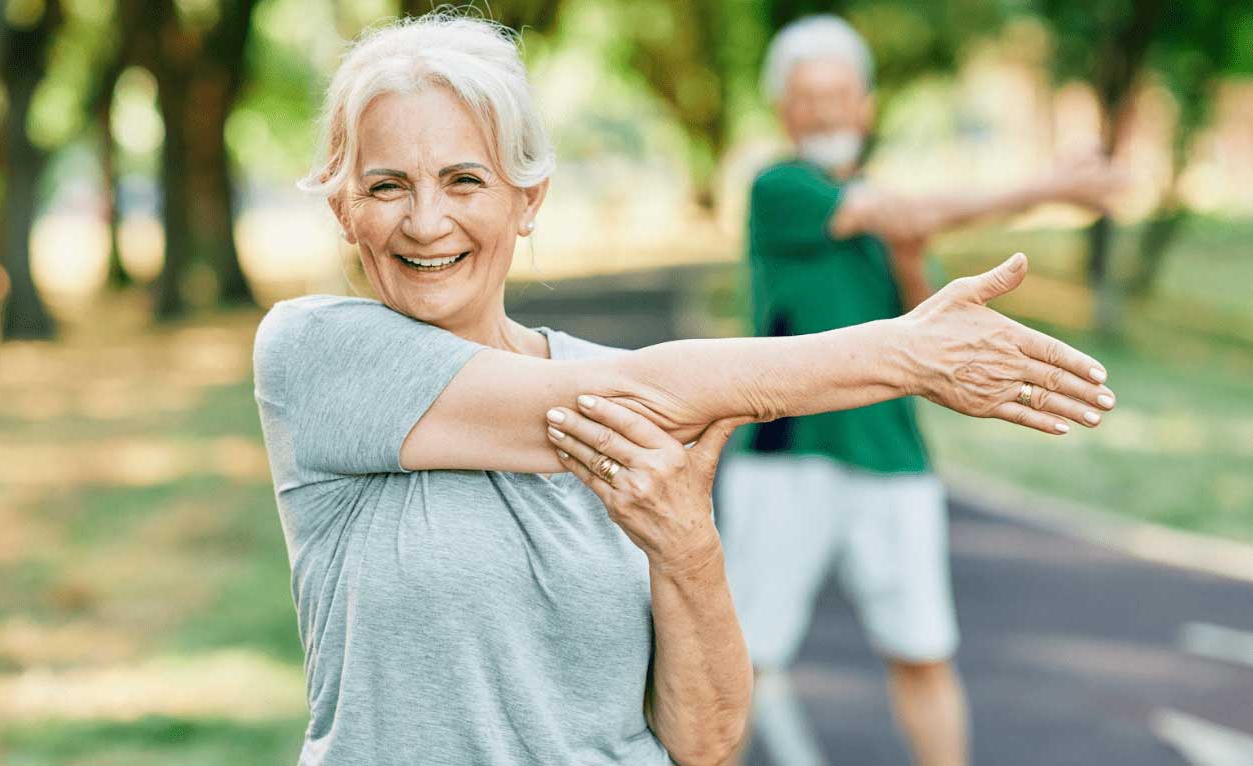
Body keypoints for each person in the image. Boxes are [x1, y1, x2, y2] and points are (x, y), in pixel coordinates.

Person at [251, 12, 1116, 766]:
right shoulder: (317, 354)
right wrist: (907, 355)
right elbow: (639, 391)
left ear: (528, 197)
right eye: (386, 185)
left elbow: (702, 742)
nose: (426, 221)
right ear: (342, 209)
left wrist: (688, 549)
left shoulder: (633, 396)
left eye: (464, 179)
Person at [716, 15, 1124, 766]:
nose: (828, 111)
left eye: (841, 95)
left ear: (867, 106)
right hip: (786, 457)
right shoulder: (781, 189)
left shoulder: (889, 211)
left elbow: (925, 313)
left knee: (923, 655)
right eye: (809, 98)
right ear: (783, 111)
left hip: (891, 458)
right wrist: (1046, 187)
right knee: (739, 663)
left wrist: (910, 254)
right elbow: (892, 209)